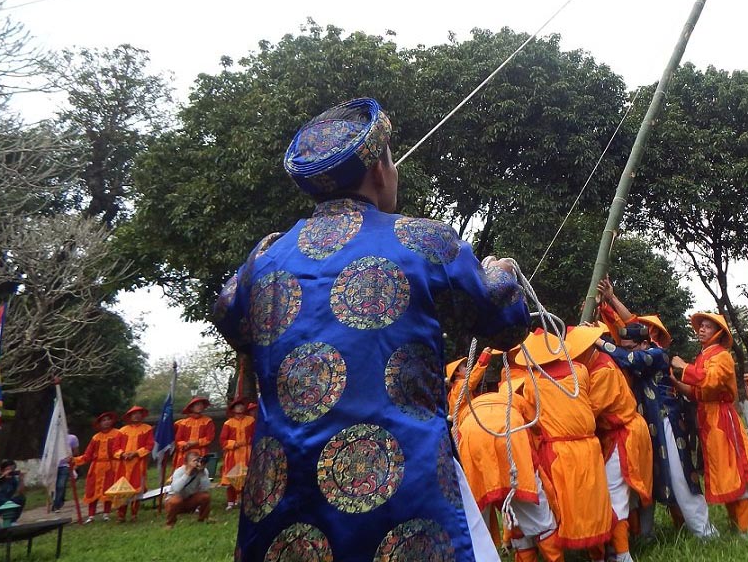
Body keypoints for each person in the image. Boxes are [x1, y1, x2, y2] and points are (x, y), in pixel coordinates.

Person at [213, 98, 529, 562]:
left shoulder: (264, 256)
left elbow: (229, 316)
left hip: (281, 490)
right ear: (380, 168)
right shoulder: (424, 239)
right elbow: (507, 322)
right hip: (404, 488)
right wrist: (500, 271)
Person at [594, 280, 713, 540]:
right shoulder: (641, 347)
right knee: (648, 479)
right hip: (646, 424)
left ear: (645, 342)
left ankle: (705, 532)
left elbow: (628, 357)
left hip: (665, 421)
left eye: (632, 344)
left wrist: (598, 343)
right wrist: (611, 300)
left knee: (680, 476)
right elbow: (627, 333)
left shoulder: (658, 355)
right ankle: (647, 535)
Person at [511, 329, 613, 555]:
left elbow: (531, 417)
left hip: (558, 451)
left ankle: (561, 552)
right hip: (589, 446)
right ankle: (599, 555)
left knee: (562, 504)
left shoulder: (532, 382)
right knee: (593, 501)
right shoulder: (580, 371)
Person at [456, 372, 562, 562]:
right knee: (540, 517)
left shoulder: (466, 407)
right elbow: (537, 425)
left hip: (471, 438)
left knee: (488, 517)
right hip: (509, 437)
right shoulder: (516, 399)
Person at [567, 324, 651, 562]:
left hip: (624, 434)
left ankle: (622, 555)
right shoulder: (596, 365)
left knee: (615, 495)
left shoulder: (602, 370)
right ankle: (629, 542)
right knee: (622, 494)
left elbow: (588, 413)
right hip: (620, 432)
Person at [672, 312, 748, 538]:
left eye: (708, 327)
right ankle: (735, 525)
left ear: (718, 333)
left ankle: (744, 529)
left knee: (733, 468)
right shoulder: (702, 357)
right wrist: (675, 381)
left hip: (722, 419)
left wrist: (684, 367)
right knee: (720, 471)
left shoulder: (723, 356)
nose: (701, 329)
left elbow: (710, 380)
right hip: (707, 419)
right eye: (701, 326)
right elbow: (695, 392)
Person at [74, 412, 125, 522]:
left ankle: (106, 514)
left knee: (108, 489)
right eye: (103, 420)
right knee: (92, 490)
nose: (106, 422)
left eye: (108, 419)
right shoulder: (95, 438)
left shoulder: (117, 434)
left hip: (111, 466)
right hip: (96, 467)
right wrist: (74, 460)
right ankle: (91, 515)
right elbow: (87, 455)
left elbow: (121, 449)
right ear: (100, 423)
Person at [115, 406, 153, 522]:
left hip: (138, 463)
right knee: (123, 489)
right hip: (123, 464)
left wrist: (136, 453)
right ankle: (121, 515)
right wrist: (122, 454)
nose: (136, 415)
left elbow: (149, 445)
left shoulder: (147, 429)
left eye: (139, 413)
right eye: (134, 414)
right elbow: (115, 447)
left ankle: (134, 514)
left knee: (137, 489)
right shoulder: (122, 430)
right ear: (130, 416)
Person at [218, 398, 256, 510]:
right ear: (233, 409)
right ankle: (231, 501)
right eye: (237, 406)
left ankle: (246, 500)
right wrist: (234, 444)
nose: (240, 407)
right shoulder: (228, 423)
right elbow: (223, 440)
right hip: (233, 454)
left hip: (247, 452)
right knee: (231, 477)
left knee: (246, 477)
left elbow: (255, 434)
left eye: (241, 406)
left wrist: (249, 441)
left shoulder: (251, 420)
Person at [165, 450, 212, 529]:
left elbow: (206, 488)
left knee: (205, 496)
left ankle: (203, 519)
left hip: (190, 500)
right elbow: (176, 489)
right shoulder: (179, 472)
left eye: (198, 460)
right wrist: (188, 473)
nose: (197, 463)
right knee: (175, 501)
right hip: (176, 500)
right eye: (194, 461)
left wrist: (202, 472)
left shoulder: (202, 471)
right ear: (186, 463)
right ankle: (170, 523)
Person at [173, 397, 215, 470]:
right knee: (183, 472)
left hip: (201, 451)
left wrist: (196, 442)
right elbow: (178, 439)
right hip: (186, 452)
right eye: (197, 405)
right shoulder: (184, 423)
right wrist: (186, 444)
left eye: (201, 405)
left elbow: (209, 438)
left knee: (200, 473)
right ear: (192, 408)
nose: (200, 406)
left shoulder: (208, 421)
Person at [51, 432, 79, 513]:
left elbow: (76, 452)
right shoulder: (52, 439)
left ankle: (57, 505)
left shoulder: (72, 438)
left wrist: (75, 463)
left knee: (61, 485)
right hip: (54, 465)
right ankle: (57, 501)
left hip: (65, 465)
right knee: (54, 485)